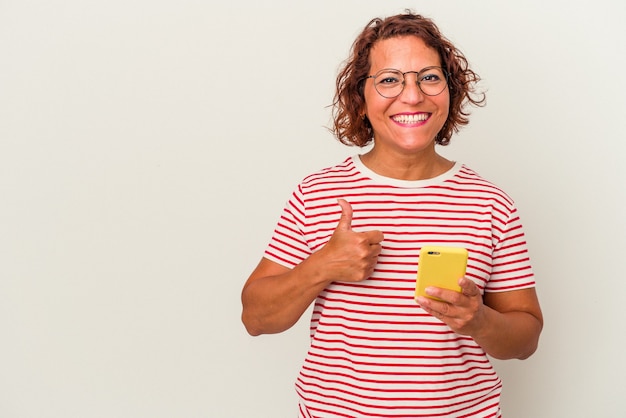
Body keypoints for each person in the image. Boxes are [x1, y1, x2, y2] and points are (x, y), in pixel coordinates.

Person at [241, 10, 543, 418]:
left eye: (429, 77)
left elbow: (526, 340)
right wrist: (323, 265)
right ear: (360, 99)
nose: (413, 95)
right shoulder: (317, 194)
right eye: (389, 80)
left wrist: (479, 321)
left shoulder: (489, 203)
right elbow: (255, 317)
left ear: (450, 92)